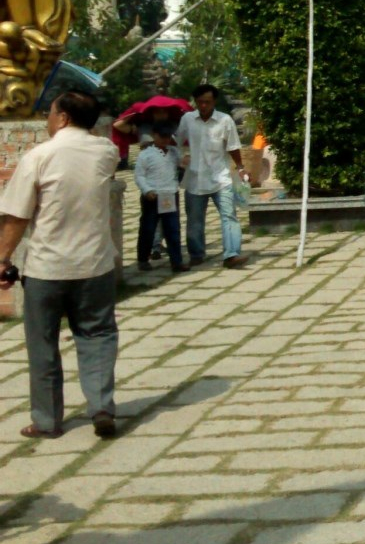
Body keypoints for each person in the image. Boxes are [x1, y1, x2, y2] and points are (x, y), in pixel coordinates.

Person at [0, 91, 124, 439]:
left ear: (63, 117)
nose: (47, 120)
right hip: (95, 264)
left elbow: (18, 215)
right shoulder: (106, 152)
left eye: (51, 113)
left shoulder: (39, 156)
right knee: (98, 335)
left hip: (47, 268)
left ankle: (47, 420)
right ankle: (101, 406)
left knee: (43, 344)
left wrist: (3, 258)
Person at [177, 84, 248, 269]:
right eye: (200, 102)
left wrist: (240, 167)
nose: (203, 106)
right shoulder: (187, 119)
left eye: (207, 102)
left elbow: (233, 146)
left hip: (220, 177)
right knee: (194, 220)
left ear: (214, 101)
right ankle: (196, 254)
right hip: (195, 178)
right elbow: (176, 141)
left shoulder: (225, 120)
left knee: (229, 216)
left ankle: (231, 254)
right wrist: (180, 157)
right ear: (195, 102)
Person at [134, 124, 185, 273]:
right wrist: (146, 190)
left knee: (173, 229)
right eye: (162, 136)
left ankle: (176, 261)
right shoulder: (146, 154)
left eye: (167, 137)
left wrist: (184, 161)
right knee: (148, 229)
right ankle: (143, 259)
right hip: (152, 195)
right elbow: (139, 175)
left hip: (170, 194)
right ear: (154, 135)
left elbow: (182, 164)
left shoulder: (174, 152)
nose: (165, 140)